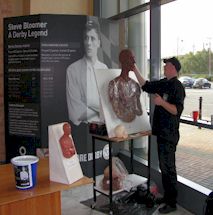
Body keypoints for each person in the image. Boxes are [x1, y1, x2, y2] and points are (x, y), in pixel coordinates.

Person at [133, 56, 185, 214]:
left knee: (169, 168)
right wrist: (134, 67)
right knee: (164, 167)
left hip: (169, 135)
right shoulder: (164, 83)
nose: (164, 68)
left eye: (167, 66)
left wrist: (162, 103)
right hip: (161, 134)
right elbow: (146, 85)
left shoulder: (178, 87)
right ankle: (167, 197)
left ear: (174, 68)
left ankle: (172, 203)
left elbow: (177, 110)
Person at [66, 19, 108, 126]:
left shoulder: (105, 69)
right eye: (86, 38)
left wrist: (89, 105)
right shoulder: (72, 70)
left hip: (103, 130)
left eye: (92, 38)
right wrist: (100, 111)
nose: (88, 43)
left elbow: (109, 106)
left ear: (98, 43)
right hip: (82, 130)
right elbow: (75, 112)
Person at [108, 49, 143, 122]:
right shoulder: (114, 84)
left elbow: (139, 112)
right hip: (119, 124)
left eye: (133, 58)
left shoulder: (135, 84)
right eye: (131, 58)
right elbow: (118, 112)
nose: (134, 62)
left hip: (134, 125)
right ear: (123, 61)